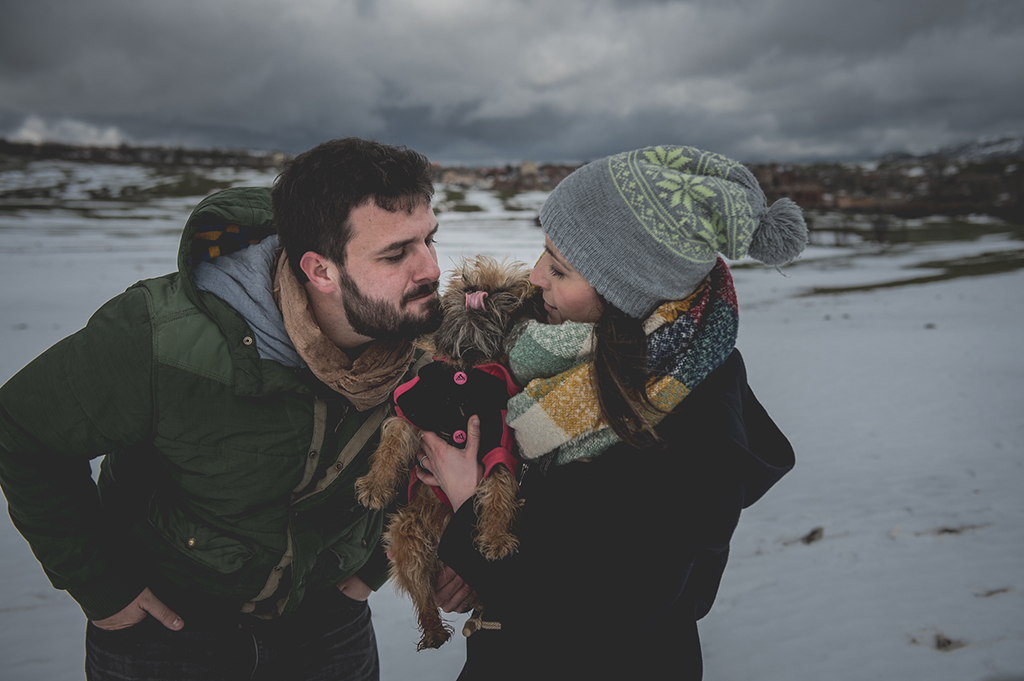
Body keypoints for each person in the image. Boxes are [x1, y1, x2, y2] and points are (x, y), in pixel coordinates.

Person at [0, 137, 469, 680]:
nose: (431, 269)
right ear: (320, 271)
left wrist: (368, 569)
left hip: (327, 627)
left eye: (429, 239)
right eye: (396, 253)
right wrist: (105, 591)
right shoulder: (162, 339)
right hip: (166, 633)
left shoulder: (428, 341)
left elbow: (427, 459)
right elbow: (23, 431)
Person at [417, 145, 806, 680]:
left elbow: (599, 610)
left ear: (629, 290)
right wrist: (477, 562)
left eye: (559, 267)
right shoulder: (568, 355)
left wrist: (474, 510)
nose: (534, 277)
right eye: (542, 252)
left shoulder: (692, 428)